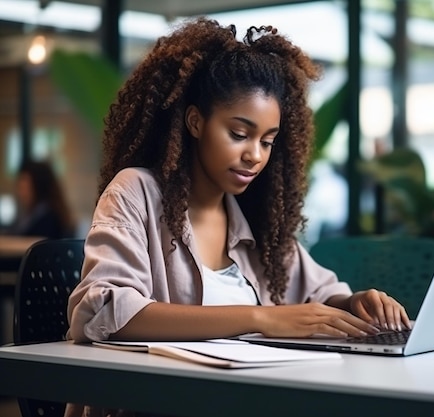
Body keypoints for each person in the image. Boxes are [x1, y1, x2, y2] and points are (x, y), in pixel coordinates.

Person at [67, 17, 410, 346]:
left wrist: (353, 304)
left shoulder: (251, 218)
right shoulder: (136, 192)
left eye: (267, 141)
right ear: (195, 122)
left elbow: (318, 293)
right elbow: (103, 311)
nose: (255, 155)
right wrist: (259, 318)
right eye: (239, 134)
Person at [6, 159, 75, 239]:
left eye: (24, 187)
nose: (20, 193)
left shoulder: (49, 219)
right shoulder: (31, 215)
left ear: (37, 186)